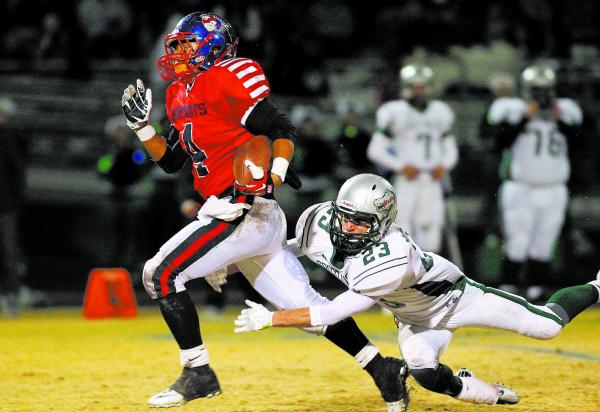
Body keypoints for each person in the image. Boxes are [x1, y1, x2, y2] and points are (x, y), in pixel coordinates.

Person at [120, 12, 407, 410]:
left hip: (241, 207)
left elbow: (280, 128)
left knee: (160, 273)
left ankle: (198, 371)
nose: (179, 53)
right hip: (237, 214)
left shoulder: (226, 76)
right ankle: (382, 368)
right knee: (306, 308)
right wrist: (142, 129)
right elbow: (171, 162)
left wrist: (274, 172)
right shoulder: (178, 92)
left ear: (214, 45)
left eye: (187, 44)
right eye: (177, 45)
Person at [234, 173, 600, 407]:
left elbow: (331, 313)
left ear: (382, 223)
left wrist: (272, 318)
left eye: (360, 223)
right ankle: (485, 393)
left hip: (457, 300)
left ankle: (596, 284)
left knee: (548, 327)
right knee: (424, 371)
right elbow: (293, 246)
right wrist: (231, 261)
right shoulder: (319, 221)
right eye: (344, 216)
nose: (348, 227)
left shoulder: (390, 256)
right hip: (412, 317)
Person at [488, 64, 583, 300]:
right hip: (521, 186)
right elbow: (498, 141)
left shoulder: (566, 110)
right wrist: (523, 119)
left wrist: (560, 121)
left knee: (545, 240)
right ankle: (508, 286)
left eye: (544, 90)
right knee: (517, 239)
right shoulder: (512, 109)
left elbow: (582, 143)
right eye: (536, 90)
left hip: (554, 187)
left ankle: (537, 289)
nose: (541, 95)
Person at [367, 63, 458, 253]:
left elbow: (450, 148)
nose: (419, 91)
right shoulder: (394, 111)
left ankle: (428, 279)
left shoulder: (440, 111)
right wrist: (401, 166)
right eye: (415, 86)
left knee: (432, 231)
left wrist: (444, 165)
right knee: (402, 230)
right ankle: (403, 277)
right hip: (407, 180)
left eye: (422, 86)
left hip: (432, 180)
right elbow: (375, 150)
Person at [0, 97, 26, 317]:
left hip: (5, 205)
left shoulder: (10, 136)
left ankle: (12, 295)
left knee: (9, 252)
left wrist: (15, 201)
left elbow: (17, 171)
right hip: (7, 203)